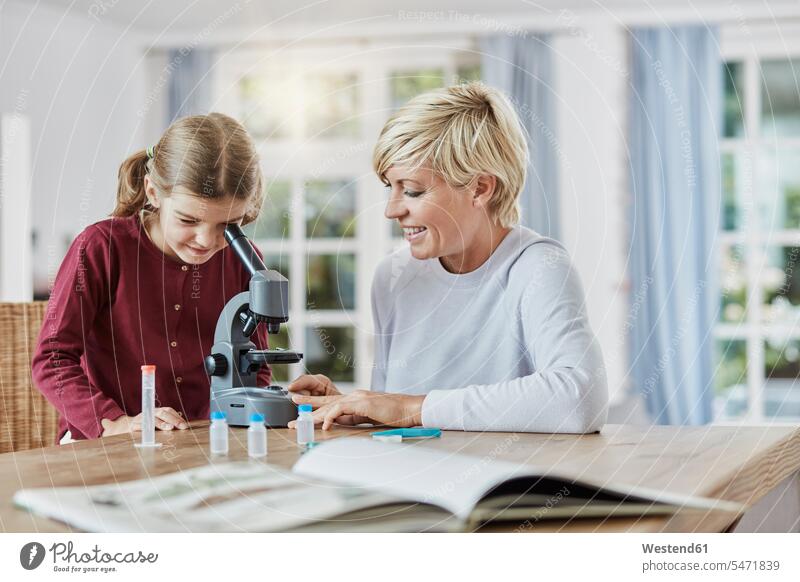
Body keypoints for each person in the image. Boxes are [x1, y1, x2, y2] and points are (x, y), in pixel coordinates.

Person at [288, 82, 608, 433]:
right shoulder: (393, 277)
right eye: (389, 188)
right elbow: (398, 414)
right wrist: (356, 408)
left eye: (412, 190)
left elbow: (580, 400)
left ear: (480, 188)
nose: (392, 210)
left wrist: (407, 407)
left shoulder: (536, 268)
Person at [32, 113, 271, 443]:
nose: (205, 240)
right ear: (153, 192)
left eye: (227, 225)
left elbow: (254, 366)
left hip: (205, 439)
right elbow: (52, 358)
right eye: (188, 220)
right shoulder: (101, 248)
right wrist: (112, 422)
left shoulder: (244, 260)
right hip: (107, 442)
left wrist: (269, 405)